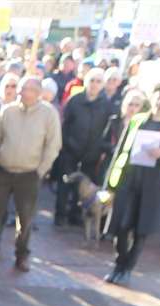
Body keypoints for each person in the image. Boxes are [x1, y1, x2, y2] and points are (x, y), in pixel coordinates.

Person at [103, 83, 160, 286]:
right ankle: (119, 263)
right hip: (130, 179)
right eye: (158, 97)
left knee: (141, 229)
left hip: (155, 183)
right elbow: (121, 150)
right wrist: (110, 184)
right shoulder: (138, 120)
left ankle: (127, 268)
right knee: (121, 225)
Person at [0, 75, 62, 272]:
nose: (24, 93)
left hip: (29, 174)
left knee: (25, 218)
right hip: (3, 171)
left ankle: (21, 255)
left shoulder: (48, 114)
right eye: (22, 89)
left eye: (29, 90)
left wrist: (41, 170)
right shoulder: (8, 111)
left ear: (39, 93)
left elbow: (53, 145)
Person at [56, 68, 117, 226]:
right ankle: (60, 215)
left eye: (98, 81)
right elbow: (64, 124)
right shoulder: (74, 100)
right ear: (86, 82)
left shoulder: (106, 105)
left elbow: (109, 129)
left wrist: (103, 148)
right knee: (65, 184)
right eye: (92, 80)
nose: (95, 84)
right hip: (71, 149)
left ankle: (75, 215)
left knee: (84, 188)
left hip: (92, 153)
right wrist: (66, 143)